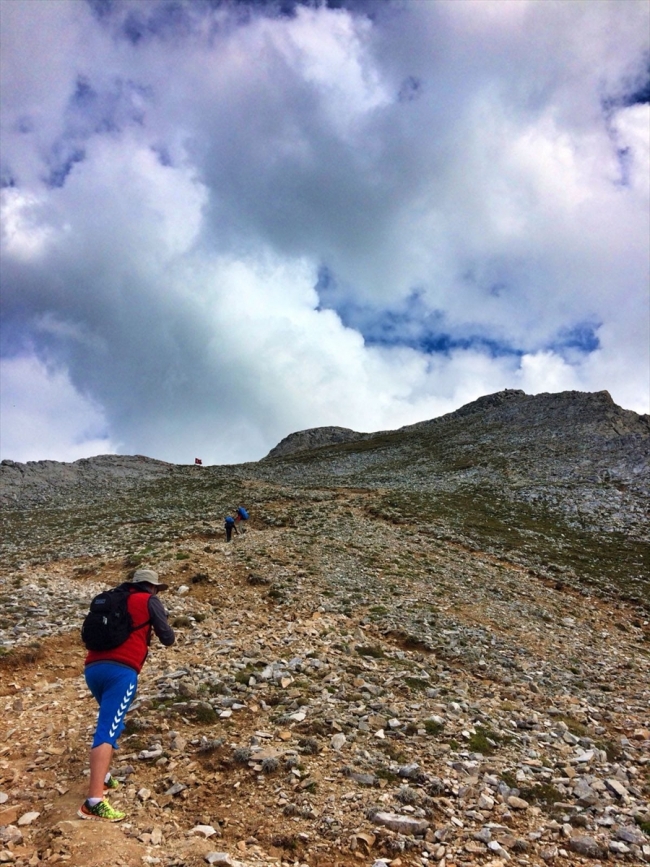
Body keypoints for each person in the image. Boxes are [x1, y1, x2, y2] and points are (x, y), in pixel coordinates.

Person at [78, 569, 175, 821]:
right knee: (108, 729)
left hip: (93, 669)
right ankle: (94, 801)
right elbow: (168, 638)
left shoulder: (114, 598)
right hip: (121, 672)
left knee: (112, 721)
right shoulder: (148, 600)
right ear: (151, 587)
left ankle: (104, 777)